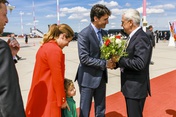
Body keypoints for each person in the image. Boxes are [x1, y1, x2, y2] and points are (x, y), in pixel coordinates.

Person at [25, 23, 74, 117]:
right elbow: (57, 78)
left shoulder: (45, 46)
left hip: (41, 92)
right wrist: (62, 100)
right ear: (63, 36)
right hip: (50, 95)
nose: (68, 45)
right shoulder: (54, 50)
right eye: (68, 41)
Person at [75, 4, 115, 117]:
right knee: (84, 110)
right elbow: (84, 58)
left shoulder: (104, 33)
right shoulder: (84, 34)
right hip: (87, 79)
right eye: (105, 19)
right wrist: (105, 63)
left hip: (101, 77)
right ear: (96, 18)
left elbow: (107, 53)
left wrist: (114, 58)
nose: (107, 22)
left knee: (101, 109)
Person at [116, 9, 152, 117]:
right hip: (131, 86)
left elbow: (140, 63)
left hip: (136, 88)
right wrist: (116, 64)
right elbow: (129, 58)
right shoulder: (132, 37)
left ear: (130, 22)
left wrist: (119, 60)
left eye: (123, 22)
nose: (121, 25)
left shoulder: (141, 38)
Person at [0, 0, 26, 116]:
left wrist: (11, 56)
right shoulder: (1, 47)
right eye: (4, 15)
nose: (7, 20)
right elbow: (8, 97)